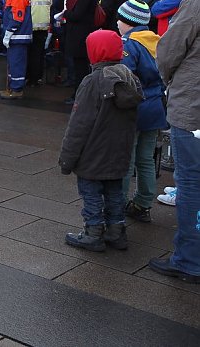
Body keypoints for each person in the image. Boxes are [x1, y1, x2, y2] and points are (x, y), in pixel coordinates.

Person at [59, 29, 143, 252]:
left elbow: (79, 125)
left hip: (93, 153)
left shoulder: (93, 82)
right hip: (119, 152)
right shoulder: (130, 79)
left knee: (91, 193)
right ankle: (116, 231)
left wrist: (67, 158)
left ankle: (93, 232)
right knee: (115, 191)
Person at [148, 0, 200, 283]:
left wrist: (169, 82)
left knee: (191, 182)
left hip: (194, 107)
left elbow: (168, 52)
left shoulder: (196, 3)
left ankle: (189, 259)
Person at [115, 0, 166, 224]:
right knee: (145, 158)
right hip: (155, 107)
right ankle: (143, 203)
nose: (117, 23)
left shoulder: (129, 44)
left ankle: (117, 204)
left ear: (128, 22)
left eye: (120, 19)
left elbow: (125, 79)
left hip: (135, 108)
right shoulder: (156, 41)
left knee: (126, 159)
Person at [58, 0, 99, 104]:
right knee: (78, 65)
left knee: (80, 67)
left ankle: (80, 95)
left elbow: (77, 14)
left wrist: (65, 14)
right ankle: (79, 94)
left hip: (81, 34)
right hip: (76, 33)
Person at [0, 0, 33, 100]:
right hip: (18, 35)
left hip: (17, 35)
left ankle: (16, 89)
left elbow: (17, 17)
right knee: (13, 63)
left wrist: (8, 33)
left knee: (16, 63)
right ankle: (12, 87)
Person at [25, 0, 53, 86]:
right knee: (39, 52)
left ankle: (28, 77)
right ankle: (37, 78)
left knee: (28, 52)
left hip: (29, 23)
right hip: (43, 24)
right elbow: (50, 3)